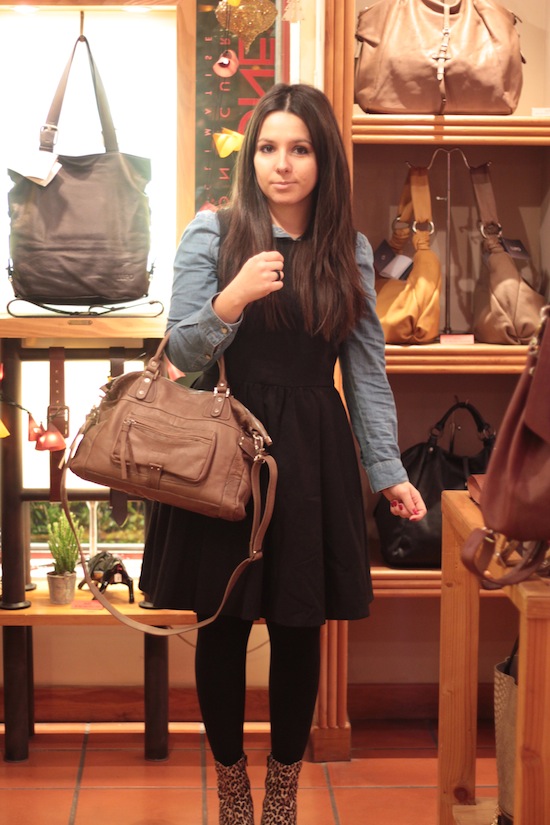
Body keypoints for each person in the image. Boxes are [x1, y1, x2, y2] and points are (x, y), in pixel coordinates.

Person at [139, 83, 427, 825]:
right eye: (268, 148)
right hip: (221, 452)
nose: (282, 164)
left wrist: (388, 472)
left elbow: (365, 371)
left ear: (323, 158)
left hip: (310, 456)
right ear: (252, 157)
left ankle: (282, 797)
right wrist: (230, 300)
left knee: (301, 626)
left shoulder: (348, 250)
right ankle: (233, 792)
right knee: (223, 625)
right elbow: (177, 360)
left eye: (299, 149)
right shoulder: (212, 234)